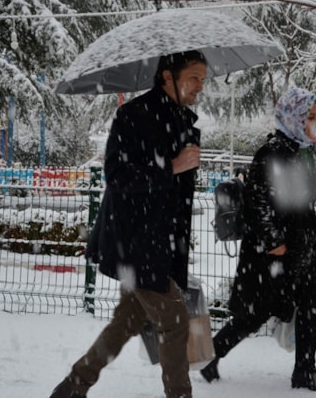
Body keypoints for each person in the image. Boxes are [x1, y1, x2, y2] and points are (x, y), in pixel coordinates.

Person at [50, 51, 207, 398]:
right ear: (168, 76)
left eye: (204, 78)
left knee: (128, 320)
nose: (201, 85)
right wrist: (172, 166)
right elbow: (117, 176)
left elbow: (173, 191)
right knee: (175, 321)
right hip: (135, 240)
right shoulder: (133, 115)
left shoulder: (182, 120)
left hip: (157, 242)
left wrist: (181, 165)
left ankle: (73, 387)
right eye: (194, 77)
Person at [200, 88, 316, 392]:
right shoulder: (272, 151)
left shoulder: (302, 150)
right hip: (274, 251)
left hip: (302, 242)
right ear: (294, 117)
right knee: (254, 313)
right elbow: (257, 200)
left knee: (310, 303)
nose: (315, 123)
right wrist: (275, 241)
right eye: (309, 117)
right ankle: (211, 354)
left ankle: (304, 371)